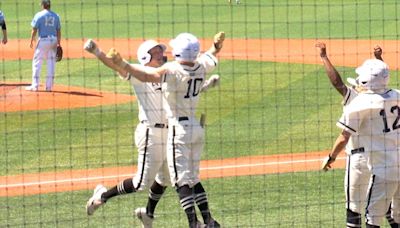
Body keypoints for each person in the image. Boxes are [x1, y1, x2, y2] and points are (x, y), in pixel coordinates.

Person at [84, 38, 221, 228]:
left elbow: (183, 89)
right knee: (141, 183)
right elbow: (116, 65)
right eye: (156, 51)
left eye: (160, 50)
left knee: (165, 179)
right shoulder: (140, 74)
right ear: (146, 56)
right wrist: (97, 52)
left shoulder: (167, 72)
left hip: (172, 133)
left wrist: (205, 85)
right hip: (151, 133)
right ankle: (102, 196)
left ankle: (148, 214)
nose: (161, 52)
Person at [318, 43, 400, 227]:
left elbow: (338, 83)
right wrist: (378, 60)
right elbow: (381, 84)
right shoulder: (394, 96)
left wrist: (323, 57)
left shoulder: (355, 100)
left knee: (357, 208)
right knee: (385, 206)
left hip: (360, 158)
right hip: (388, 156)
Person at [26, 0, 61, 92]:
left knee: (37, 62)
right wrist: (59, 43)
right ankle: (49, 87)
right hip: (53, 40)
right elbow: (58, 30)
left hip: (43, 41)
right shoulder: (56, 16)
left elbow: (34, 29)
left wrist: (31, 40)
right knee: (51, 63)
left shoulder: (39, 15)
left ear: (43, 5)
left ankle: (35, 86)